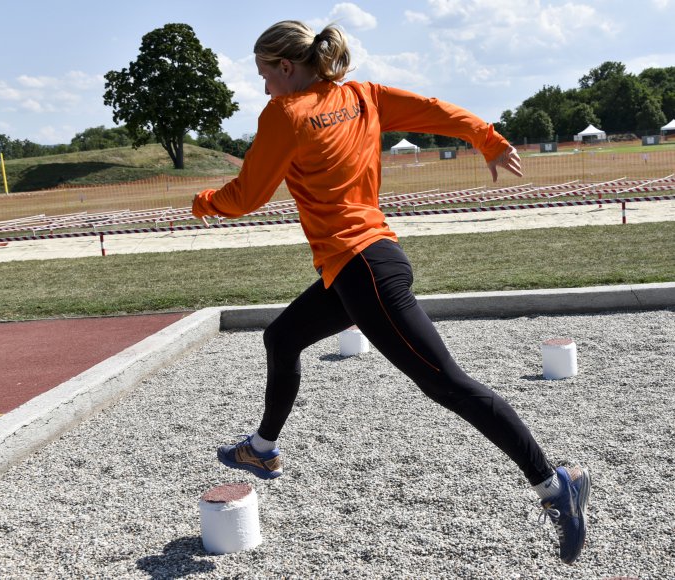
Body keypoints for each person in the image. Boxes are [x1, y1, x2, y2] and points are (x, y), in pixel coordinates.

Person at [192, 20, 591, 565]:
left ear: (286, 66)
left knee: (447, 384)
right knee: (281, 337)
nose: (264, 87)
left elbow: (246, 196)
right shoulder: (364, 96)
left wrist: (204, 202)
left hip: (364, 272)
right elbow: (436, 111)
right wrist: (488, 138)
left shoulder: (284, 113)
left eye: (265, 74)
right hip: (364, 265)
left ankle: (554, 485)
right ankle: (262, 450)